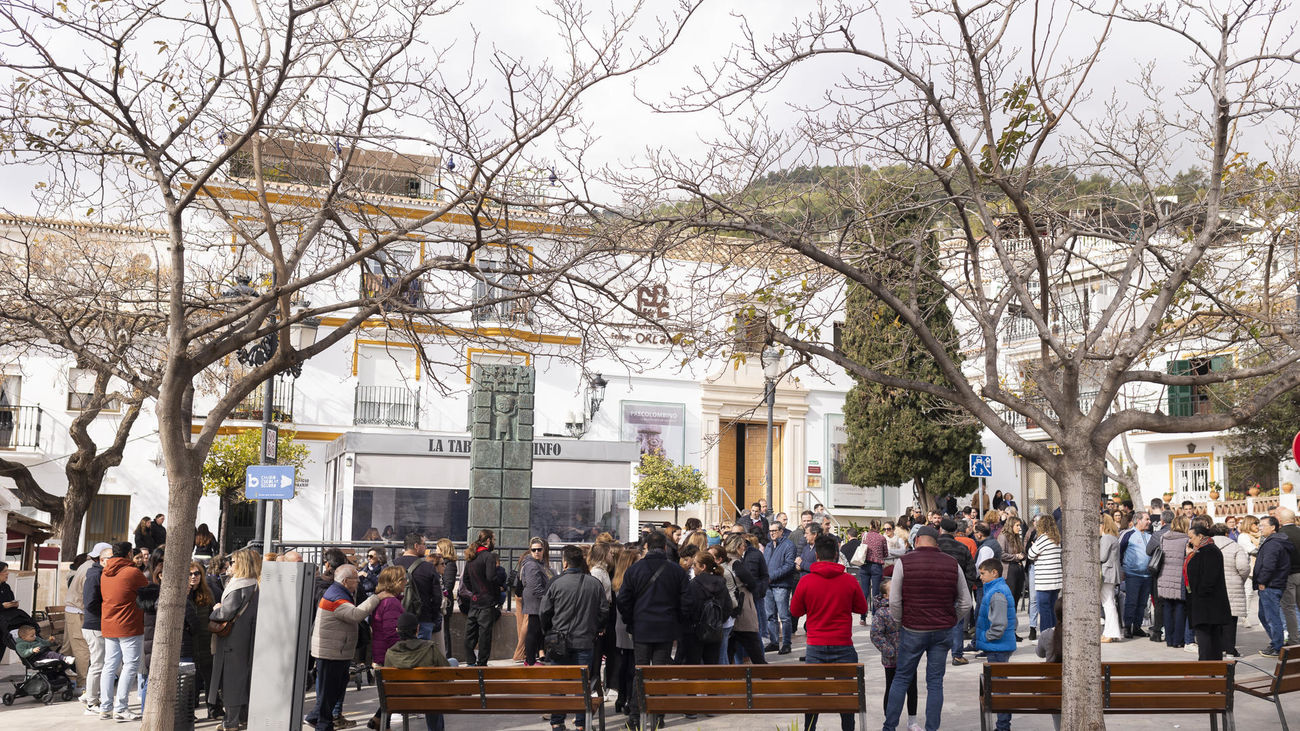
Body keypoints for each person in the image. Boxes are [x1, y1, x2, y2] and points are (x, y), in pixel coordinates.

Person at [882, 526, 973, 731]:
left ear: (917, 540)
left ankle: (889, 727)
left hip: (913, 629)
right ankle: (932, 728)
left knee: (902, 678)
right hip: (942, 631)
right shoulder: (952, 564)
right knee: (935, 683)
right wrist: (951, 620)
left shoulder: (904, 562)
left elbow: (895, 601)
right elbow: (966, 602)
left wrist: (899, 622)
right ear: (936, 542)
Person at [791, 534, 867, 731]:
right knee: (846, 697)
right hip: (843, 644)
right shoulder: (849, 581)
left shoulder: (806, 581)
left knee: (813, 696)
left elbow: (795, 612)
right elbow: (862, 608)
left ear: (816, 555)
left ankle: (810, 729)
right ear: (836, 555)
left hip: (815, 646)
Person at [617, 530, 687, 731]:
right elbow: (686, 601)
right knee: (659, 673)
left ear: (646, 547)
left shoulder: (634, 570)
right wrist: (677, 621)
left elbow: (624, 600)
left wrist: (632, 620)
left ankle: (636, 715)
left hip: (642, 628)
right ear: (665, 547)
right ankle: (658, 715)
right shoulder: (676, 571)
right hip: (665, 628)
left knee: (640, 671)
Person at [310, 562, 389, 731]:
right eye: (356, 579)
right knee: (329, 691)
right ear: (346, 581)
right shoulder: (336, 596)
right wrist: (376, 598)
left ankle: (316, 718)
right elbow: (355, 615)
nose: (359, 582)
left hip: (337, 650)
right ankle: (323, 724)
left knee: (335, 687)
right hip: (331, 652)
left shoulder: (341, 592)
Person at [541, 544, 608, 731]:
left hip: (557, 643)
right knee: (582, 685)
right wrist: (597, 628)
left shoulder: (555, 583)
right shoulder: (595, 584)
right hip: (585, 641)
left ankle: (557, 722)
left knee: (558, 684)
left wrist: (549, 631)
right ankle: (581, 724)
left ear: (564, 562)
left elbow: (544, 612)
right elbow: (604, 612)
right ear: (583, 561)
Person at [370, 612, 452, 731]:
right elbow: (447, 674)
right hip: (429, 699)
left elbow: (389, 683)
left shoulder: (390, 653)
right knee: (434, 691)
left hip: (401, 701)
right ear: (417, 629)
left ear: (397, 630)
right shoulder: (430, 648)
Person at [210, 548, 261, 730]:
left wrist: (215, 609)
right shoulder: (253, 584)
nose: (229, 565)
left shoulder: (241, 585)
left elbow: (226, 612)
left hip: (233, 639)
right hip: (244, 638)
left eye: (232, 562)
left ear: (241, 564)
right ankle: (242, 719)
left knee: (232, 681)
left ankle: (230, 722)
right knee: (242, 679)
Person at [99, 541, 147, 722]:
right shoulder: (133, 572)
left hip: (109, 624)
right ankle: (121, 707)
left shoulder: (105, 572)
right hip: (129, 625)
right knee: (130, 665)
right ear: (128, 554)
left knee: (110, 665)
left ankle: (105, 707)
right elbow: (148, 590)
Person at [974, 559, 1017, 731]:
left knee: (999, 690)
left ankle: (1003, 726)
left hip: (998, 647)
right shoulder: (995, 590)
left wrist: (985, 636)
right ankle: (1002, 725)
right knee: (999, 687)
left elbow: (999, 625)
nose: (981, 576)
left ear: (994, 573)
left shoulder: (997, 592)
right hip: (999, 647)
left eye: (983, 573)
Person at [870, 579, 917, 730]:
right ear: (885, 596)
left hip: (908, 655)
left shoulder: (905, 607)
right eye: (893, 590)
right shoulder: (881, 612)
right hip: (891, 658)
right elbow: (876, 634)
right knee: (891, 688)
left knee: (912, 688)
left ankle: (912, 721)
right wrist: (889, 650)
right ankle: (889, 720)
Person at [1185, 522, 1232, 660]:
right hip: (1204, 602)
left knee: (1208, 637)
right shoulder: (1201, 550)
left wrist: (1199, 593)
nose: (1190, 540)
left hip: (1207, 603)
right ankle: (1211, 667)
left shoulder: (1210, 550)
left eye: (1192, 537)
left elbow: (1209, 578)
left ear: (1200, 536)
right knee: (1208, 637)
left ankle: (1207, 667)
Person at [680, 551, 733, 665]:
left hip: (695, 631)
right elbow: (728, 607)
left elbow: (686, 608)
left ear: (703, 567)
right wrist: (717, 621)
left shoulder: (693, 584)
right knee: (712, 665)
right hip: (714, 630)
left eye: (695, 565)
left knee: (693, 667)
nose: (692, 567)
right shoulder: (721, 583)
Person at [461, 529, 504, 666]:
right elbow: (491, 577)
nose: (494, 543)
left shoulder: (471, 556)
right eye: (494, 540)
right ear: (488, 540)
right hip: (487, 601)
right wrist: (498, 588)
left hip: (474, 600)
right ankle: (481, 664)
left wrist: (475, 590)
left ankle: (470, 661)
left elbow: (466, 579)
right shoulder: (488, 556)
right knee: (484, 635)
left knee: (470, 634)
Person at [1254, 516, 1295, 657]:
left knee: (1271, 616)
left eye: (1263, 525)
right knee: (1264, 615)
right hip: (1272, 583)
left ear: (1273, 528)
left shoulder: (1273, 543)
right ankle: (1276, 642)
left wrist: (1262, 581)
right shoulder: (1274, 541)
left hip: (1270, 585)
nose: (1260, 528)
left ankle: (1277, 646)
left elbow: (1269, 565)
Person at [937, 518, 975, 666]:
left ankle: (938, 653)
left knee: (937, 622)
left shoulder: (934, 546)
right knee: (957, 622)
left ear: (941, 529)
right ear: (954, 531)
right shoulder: (962, 548)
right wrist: (964, 588)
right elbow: (971, 572)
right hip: (956, 589)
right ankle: (957, 654)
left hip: (936, 591)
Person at [78, 543, 111, 715]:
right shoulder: (94, 575)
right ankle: (91, 703)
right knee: (98, 664)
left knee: (99, 663)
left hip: (97, 625)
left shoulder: (98, 573)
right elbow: (90, 603)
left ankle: (88, 696)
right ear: (101, 559)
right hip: (94, 626)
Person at [392, 534, 441, 642]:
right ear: (416, 546)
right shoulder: (428, 567)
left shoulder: (390, 566)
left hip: (396, 620)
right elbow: (437, 597)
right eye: (424, 544)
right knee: (422, 655)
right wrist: (432, 617)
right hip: (423, 618)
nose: (426, 547)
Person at [186, 560, 218, 720]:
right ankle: (188, 713)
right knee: (190, 681)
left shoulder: (207, 592)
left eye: (197, 573)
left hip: (206, 642)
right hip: (189, 643)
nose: (193, 577)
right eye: (190, 573)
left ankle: (214, 709)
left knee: (210, 678)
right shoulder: (183, 593)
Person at [1154, 515, 1191, 648]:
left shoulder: (1164, 537)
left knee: (1168, 607)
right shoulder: (1186, 540)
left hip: (1164, 575)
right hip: (1179, 576)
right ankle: (1178, 640)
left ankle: (1169, 639)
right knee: (1180, 608)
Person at [62, 550, 94, 698]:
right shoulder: (89, 568)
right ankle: (82, 684)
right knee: (81, 648)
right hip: (78, 612)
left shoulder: (83, 568)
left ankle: (61, 676)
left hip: (73, 612)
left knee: (68, 647)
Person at [763, 521, 797, 654]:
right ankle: (774, 642)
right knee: (770, 616)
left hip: (781, 585)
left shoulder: (789, 545)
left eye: (774, 531)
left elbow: (789, 566)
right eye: (770, 531)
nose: (772, 533)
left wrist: (771, 576)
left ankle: (787, 643)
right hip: (768, 585)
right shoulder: (768, 545)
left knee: (784, 616)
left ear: (781, 531)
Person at [1118, 511, 1152, 639]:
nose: (1149, 521)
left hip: (1147, 576)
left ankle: (1137, 627)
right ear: (1138, 520)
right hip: (1132, 575)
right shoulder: (1127, 534)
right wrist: (1121, 570)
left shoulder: (1149, 536)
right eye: (1146, 519)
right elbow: (1119, 553)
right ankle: (1127, 627)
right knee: (1131, 602)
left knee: (1142, 603)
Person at [521, 537, 555, 666]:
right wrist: (549, 599)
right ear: (530, 551)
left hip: (538, 602)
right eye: (533, 550)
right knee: (533, 631)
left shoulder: (539, 564)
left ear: (543, 550)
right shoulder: (531, 565)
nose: (536, 552)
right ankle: (530, 660)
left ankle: (532, 658)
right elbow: (535, 587)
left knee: (537, 631)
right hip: (535, 603)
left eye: (539, 549)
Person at [1027, 515, 1063, 634]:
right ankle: (1054, 634)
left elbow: (1031, 554)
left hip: (1044, 581)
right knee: (1052, 609)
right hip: (1056, 580)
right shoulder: (1056, 539)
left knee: (1044, 610)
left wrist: (1033, 546)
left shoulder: (1043, 538)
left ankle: (1045, 635)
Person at [369, 565, 408, 668]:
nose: (406, 582)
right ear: (397, 582)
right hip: (388, 656)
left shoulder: (383, 600)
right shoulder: (391, 602)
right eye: (404, 579)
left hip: (382, 652)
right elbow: (391, 633)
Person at [1275, 507, 1300, 645]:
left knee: (1289, 608)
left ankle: (1294, 639)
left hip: (1288, 575)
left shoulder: (1280, 534)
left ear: (1280, 520)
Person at [1099, 514, 1122, 642]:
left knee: (1108, 603)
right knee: (1109, 602)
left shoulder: (1106, 538)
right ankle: (1110, 632)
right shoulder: (1113, 538)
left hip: (1107, 573)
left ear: (1103, 525)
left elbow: (1102, 557)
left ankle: (1111, 633)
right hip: (1112, 573)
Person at [435, 538, 458, 659]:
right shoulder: (442, 563)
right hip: (440, 600)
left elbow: (448, 585)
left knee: (444, 629)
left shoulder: (449, 565)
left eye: (437, 548)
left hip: (445, 602)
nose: (435, 551)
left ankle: (447, 655)